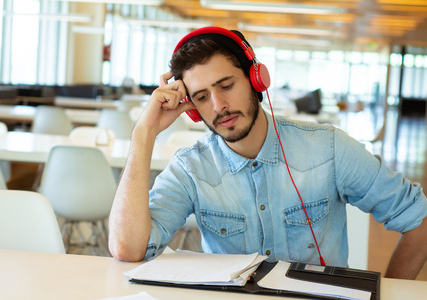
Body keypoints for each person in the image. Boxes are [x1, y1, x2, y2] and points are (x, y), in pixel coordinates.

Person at [108, 27, 427, 279]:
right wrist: (143, 133)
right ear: (191, 108)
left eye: (226, 85)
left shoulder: (328, 149)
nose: (219, 106)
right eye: (202, 97)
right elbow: (128, 249)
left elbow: (419, 220)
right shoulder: (191, 167)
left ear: (255, 79)